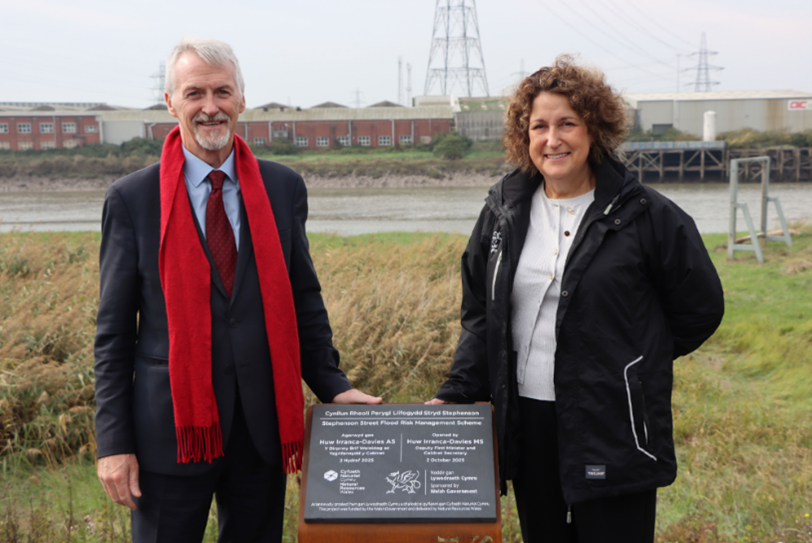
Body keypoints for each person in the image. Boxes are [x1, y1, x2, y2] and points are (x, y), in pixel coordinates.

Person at [94, 37, 381, 543]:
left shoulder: (282, 187)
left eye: (222, 92)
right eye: (194, 93)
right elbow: (113, 334)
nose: (210, 107)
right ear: (170, 103)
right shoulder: (132, 199)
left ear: (242, 100)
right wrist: (112, 443)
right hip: (172, 431)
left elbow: (302, 300)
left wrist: (333, 386)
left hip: (260, 430)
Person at [427, 55, 724, 543]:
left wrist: (631, 366)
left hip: (613, 420)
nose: (552, 139)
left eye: (567, 123)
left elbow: (701, 307)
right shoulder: (502, 213)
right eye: (539, 126)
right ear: (524, 136)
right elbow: (482, 316)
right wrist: (457, 392)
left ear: (594, 130)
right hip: (528, 418)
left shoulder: (648, 215)